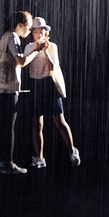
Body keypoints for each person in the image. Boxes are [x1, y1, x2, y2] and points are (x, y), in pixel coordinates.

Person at [0, 11, 46, 175]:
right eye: (28, 26)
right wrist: (37, 50)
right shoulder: (12, 37)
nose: (29, 30)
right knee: (8, 127)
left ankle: (2, 161)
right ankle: (7, 163)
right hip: (7, 88)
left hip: (2, 87)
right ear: (19, 25)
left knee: (5, 126)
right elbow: (22, 61)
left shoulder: (8, 37)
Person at [25, 17, 80, 168]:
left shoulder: (52, 46)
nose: (39, 33)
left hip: (49, 84)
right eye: (36, 31)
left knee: (59, 121)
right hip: (35, 85)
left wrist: (45, 51)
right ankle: (39, 157)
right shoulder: (29, 47)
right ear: (32, 33)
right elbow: (24, 65)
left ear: (46, 32)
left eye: (42, 30)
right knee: (37, 123)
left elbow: (53, 67)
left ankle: (73, 151)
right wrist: (36, 49)